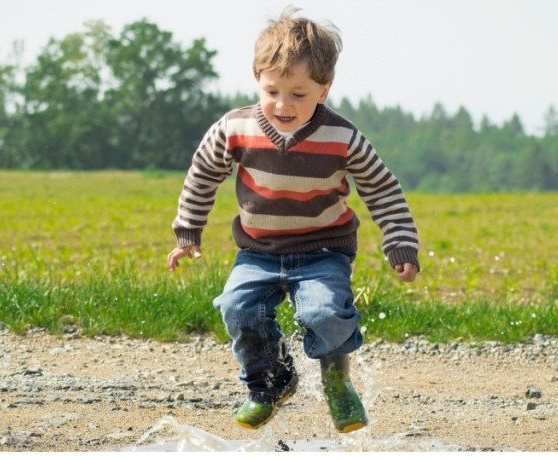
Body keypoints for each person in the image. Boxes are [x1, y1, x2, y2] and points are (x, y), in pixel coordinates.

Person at [167, 7, 420, 433]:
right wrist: (187, 230)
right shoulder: (235, 127)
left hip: (324, 250)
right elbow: (203, 173)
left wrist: (400, 243)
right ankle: (270, 382)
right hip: (258, 250)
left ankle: (337, 380)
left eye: (298, 94)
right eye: (272, 91)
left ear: (324, 89)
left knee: (323, 313)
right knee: (237, 307)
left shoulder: (344, 138)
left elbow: (382, 189)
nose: (283, 105)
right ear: (258, 80)